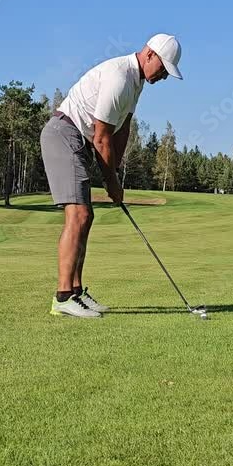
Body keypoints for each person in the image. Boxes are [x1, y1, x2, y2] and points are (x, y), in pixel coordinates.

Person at [40, 33, 183, 318]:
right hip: (64, 133)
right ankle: (63, 296)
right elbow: (102, 137)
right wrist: (111, 182)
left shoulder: (137, 82)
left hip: (80, 140)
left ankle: (77, 292)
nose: (165, 76)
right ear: (150, 54)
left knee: (86, 215)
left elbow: (122, 130)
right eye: (164, 68)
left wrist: (115, 170)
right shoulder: (120, 76)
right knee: (78, 214)